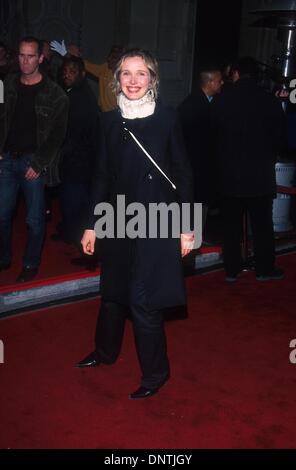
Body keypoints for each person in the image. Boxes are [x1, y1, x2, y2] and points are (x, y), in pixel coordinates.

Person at [76, 48, 195, 399]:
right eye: (126, 73)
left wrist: (188, 227)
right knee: (112, 294)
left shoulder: (168, 118)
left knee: (143, 300)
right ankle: (105, 352)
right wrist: (92, 224)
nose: (132, 80)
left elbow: (184, 174)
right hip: (118, 217)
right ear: (117, 80)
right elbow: (101, 175)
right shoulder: (109, 121)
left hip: (158, 219)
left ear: (152, 79)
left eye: (140, 73)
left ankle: (156, 374)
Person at [0, 36, 68, 282]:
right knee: (2, 215)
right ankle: (4, 256)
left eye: (30, 56)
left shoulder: (55, 94)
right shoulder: (7, 83)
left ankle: (30, 263)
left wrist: (39, 164)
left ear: (40, 58)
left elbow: (57, 135)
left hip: (33, 163)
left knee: (35, 219)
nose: (24, 61)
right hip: (6, 160)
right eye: (21, 55)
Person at [212, 56, 286, 282]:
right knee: (262, 225)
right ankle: (264, 269)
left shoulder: (221, 101)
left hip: (229, 174)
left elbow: (212, 136)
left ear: (235, 74)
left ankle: (232, 270)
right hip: (259, 175)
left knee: (231, 226)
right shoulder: (269, 101)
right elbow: (281, 139)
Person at [52, 56, 100, 269]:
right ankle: (68, 233)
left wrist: (60, 154)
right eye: (65, 71)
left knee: (77, 207)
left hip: (79, 164)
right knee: (71, 204)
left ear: (81, 74)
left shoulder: (81, 99)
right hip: (76, 161)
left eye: (72, 71)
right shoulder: (75, 93)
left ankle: (88, 254)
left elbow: (75, 135)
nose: (67, 74)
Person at [178, 65, 223, 232]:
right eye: (219, 80)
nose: (222, 83)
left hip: (200, 172)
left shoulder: (207, 102)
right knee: (193, 214)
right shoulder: (194, 106)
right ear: (210, 82)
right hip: (196, 171)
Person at [50, 41, 124, 111]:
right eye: (109, 56)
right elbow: (85, 65)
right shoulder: (105, 69)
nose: (109, 59)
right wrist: (67, 55)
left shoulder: (125, 75)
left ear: (121, 60)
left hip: (118, 114)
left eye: (113, 57)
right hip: (105, 113)